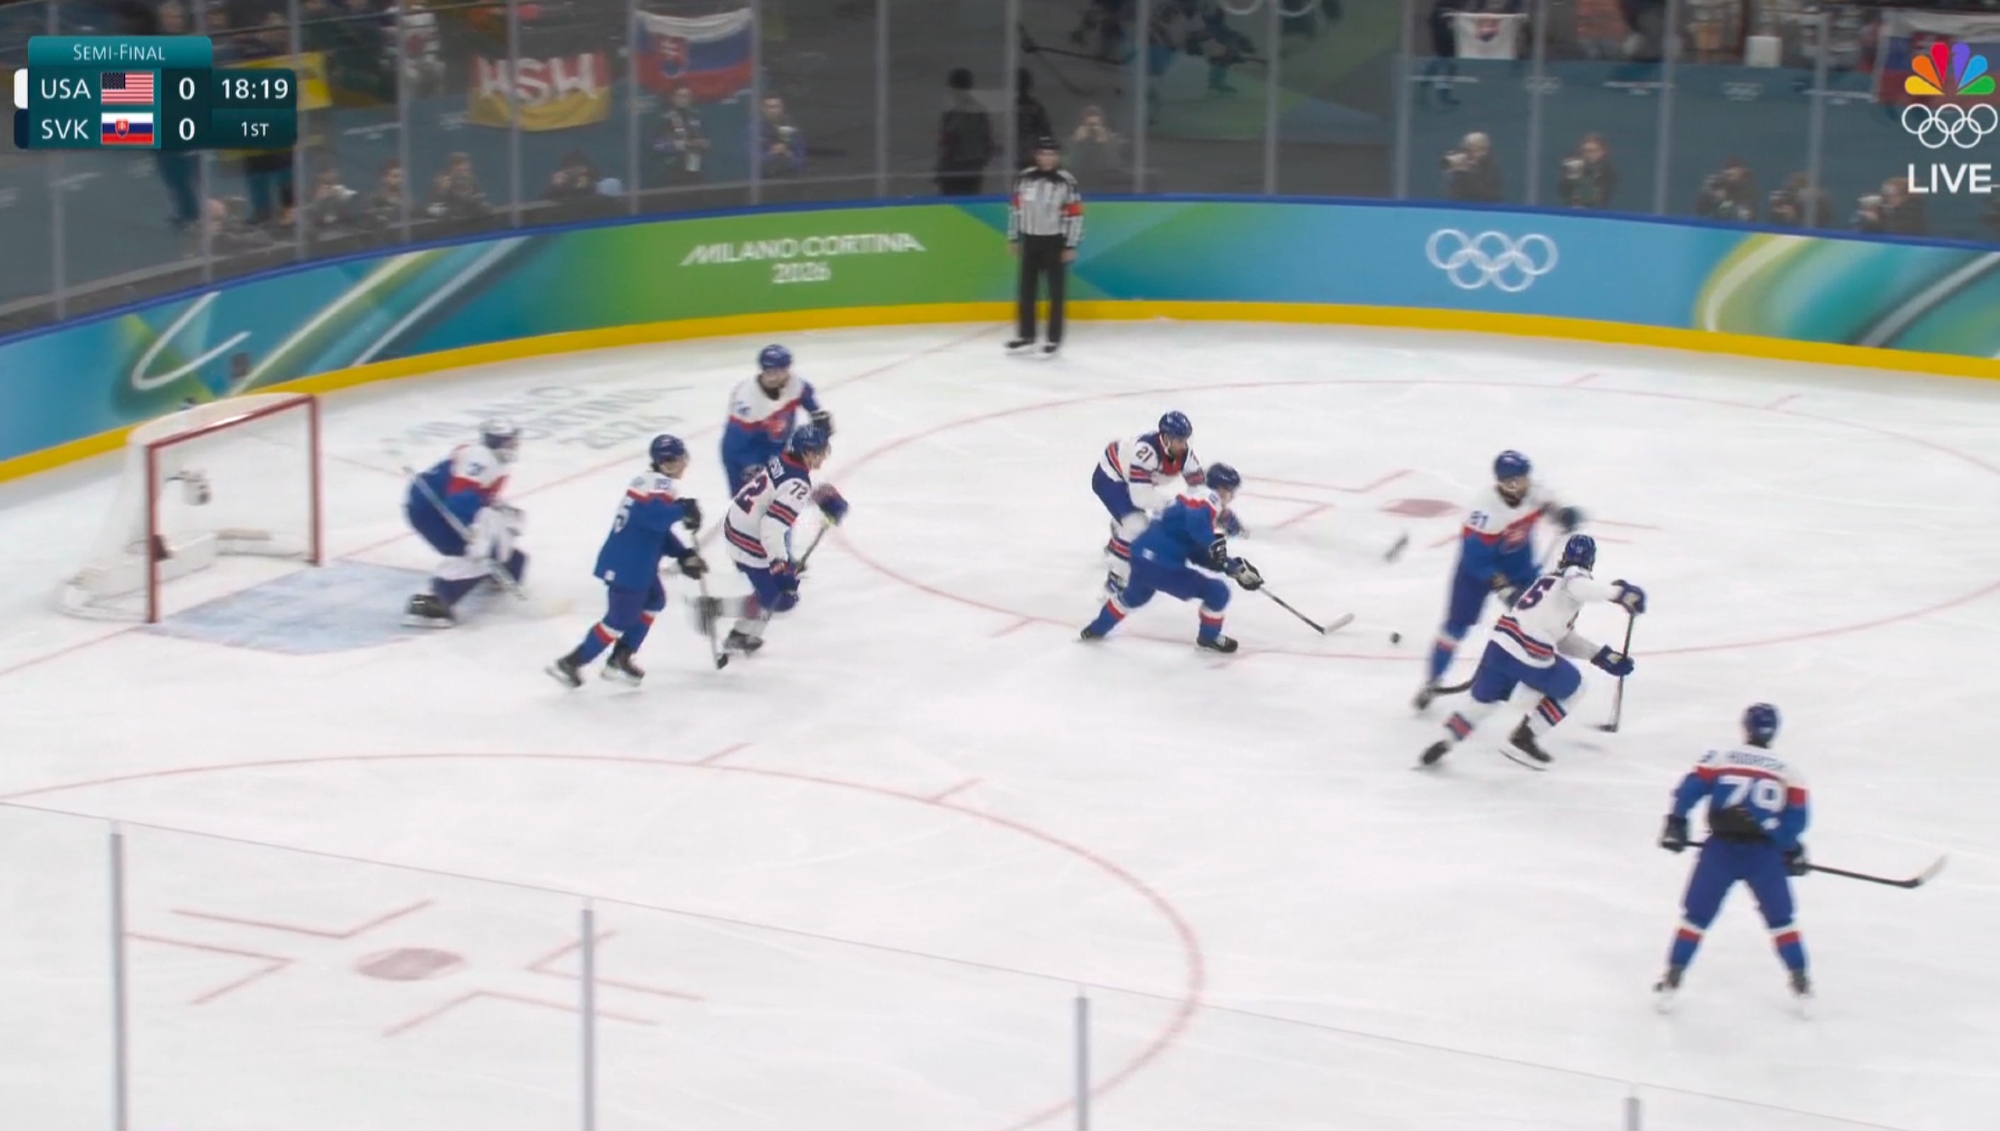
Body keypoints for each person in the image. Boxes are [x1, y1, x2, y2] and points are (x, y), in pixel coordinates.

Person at [1419, 534, 1643, 767]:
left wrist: (1600, 655)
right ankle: (1524, 738)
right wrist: (1620, 594)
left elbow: (1561, 638)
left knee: (1482, 704)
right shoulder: (1575, 576)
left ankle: (1447, 739)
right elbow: (1578, 585)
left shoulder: (1547, 581)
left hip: (1499, 646)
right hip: (1529, 652)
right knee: (1575, 687)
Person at [1653, 704, 1813, 1014]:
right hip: (1764, 855)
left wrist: (1676, 822)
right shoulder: (1790, 772)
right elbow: (1796, 821)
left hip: (1720, 850)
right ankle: (1801, 982)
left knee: (1695, 917)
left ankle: (1672, 979)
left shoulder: (1721, 757)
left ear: (1745, 727)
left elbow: (1689, 790)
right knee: (1782, 921)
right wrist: (1790, 847)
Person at [1414, 451, 1583, 709]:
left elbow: (1551, 507)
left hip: (1519, 567)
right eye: (1519, 479)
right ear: (1506, 483)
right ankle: (1432, 680)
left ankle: (1537, 675)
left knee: (1539, 622)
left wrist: (1563, 516)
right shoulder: (1484, 512)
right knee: (1455, 627)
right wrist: (1503, 588)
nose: (1525, 483)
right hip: (1475, 574)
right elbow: (1475, 559)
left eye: (1525, 477)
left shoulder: (1533, 492)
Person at [546, 435, 706, 689]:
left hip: (635, 562)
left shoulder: (651, 481)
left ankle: (620, 659)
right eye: (673, 460)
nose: (679, 465)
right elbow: (653, 519)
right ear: (663, 463)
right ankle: (571, 663)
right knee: (619, 619)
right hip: (628, 565)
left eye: (678, 459)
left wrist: (683, 554)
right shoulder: (659, 484)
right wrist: (682, 510)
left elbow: (654, 530)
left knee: (654, 600)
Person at [1081, 463, 1261, 653]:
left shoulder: (1189, 498)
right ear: (1221, 489)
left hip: (1141, 556)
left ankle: (1096, 628)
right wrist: (1213, 545)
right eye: (1230, 491)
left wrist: (1233, 567)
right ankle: (1209, 637)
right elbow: (1197, 525)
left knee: (1134, 597)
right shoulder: (1207, 499)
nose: (1231, 496)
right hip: (1163, 566)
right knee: (1218, 592)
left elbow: (1196, 552)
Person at [715, 425, 848, 655]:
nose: (824, 456)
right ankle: (713, 609)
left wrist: (822, 495)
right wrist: (780, 567)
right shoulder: (798, 483)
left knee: (772, 590)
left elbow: (785, 488)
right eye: (820, 451)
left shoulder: (783, 460)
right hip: (749, 540)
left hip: (737, 525)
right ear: (807, 452)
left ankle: (741, 635)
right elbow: (772, 528)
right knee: (780, 598)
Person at [402, 421, 527, 628]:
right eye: (510, 442)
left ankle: (497, 570)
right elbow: (460, 499)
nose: (514, 445)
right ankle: (427, 603)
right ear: (497, 442)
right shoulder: (482, 458)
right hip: (431, 513)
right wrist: (474, 533)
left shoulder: (491, 459)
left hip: (438, 509)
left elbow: (478, 497)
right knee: (474, 555)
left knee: (509, 553)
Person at [1092, 411, 1211, 596]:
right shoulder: (1145, 452)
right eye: (1179, 440)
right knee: (1137, 525)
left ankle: (1118, 533)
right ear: (1166, 438)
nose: (1184, 445)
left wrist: (1203, 513)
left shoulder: (1186, 456)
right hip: (1110, 477)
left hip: (1132, 481)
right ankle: (1115, 580)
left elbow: (1200, 490)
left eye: (1185, 440)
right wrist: (1174, 507)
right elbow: (1140, 497)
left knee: (1131, 520)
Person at [1006, 137, 1085, 358]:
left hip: (1055, 241)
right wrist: (1013, 237)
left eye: (1051, 154)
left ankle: (1053, 339)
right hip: (1030, 239)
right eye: (1043, 154)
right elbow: (1015, 209)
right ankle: (1026, 336)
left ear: (1057, 157)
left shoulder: (1066, 181)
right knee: (1026, 290)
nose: (1047, 158)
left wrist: (1070, 244)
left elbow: (1075, 214)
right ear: (1036, 156)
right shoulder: (1024, 178)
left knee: (1055, 292)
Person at [720, 344, 832, 492]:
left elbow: (805, 394)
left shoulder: (792, 383)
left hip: (777, 451)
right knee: (754, 500)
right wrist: (752, 467)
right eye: (782, 370)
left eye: (785, 369)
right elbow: (735, 444)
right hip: (745, 455)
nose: (787, 373)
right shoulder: (746, 400)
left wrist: (816, 414)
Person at [935, 67, 995, 197]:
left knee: (950, 203)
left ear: (953, 87)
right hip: (974, 167)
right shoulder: (979, 110)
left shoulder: (952, 112)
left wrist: (940, 167)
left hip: (954, 168)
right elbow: (988, 141)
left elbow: (949, 141)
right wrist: (982, 161)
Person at [655, 87, 709, 184]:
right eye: (679, 96)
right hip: (674, 168)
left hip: (695, 167)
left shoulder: (696, 116)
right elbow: (657, 145)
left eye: (686, 96)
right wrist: (683, 145)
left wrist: (703, 143)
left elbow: (705, 138)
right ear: (673, 98)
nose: (682, 99)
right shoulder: (665, 119)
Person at [1556, 133, 1618, 210]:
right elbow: (1563, 193)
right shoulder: (1574, 168)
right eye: (1585, 151)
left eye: (1593, 151)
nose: (1589, 154)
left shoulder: (1608, 173)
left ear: (1602, 152)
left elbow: (1600, 197)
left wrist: (1581, 179)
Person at [1442, 132, 1503, 203]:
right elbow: (1452, 192)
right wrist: (1458, 173)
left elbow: (1490, 193)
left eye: (1480, 149)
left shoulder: (1491, 164)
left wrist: (1472, 172)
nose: (1479, 153)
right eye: (1471, 149)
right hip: (1459, 204)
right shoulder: (1457, 159)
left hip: (1486, 205)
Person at [1693, 157, 1757, 222]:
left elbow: (1747, 217)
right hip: (1717, 226)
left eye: (1733, 168)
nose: (1729, 172)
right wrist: (1711, 196)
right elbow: (1700, 211)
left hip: (1739, 227)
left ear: (1742, 171)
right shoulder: (1719, 185)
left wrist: (1726, 205)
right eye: (1727, 168)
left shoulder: (1749, 190)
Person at [758, 96, 806, 177]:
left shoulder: (792, 127)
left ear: (782, 108)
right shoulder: (755, 130)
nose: (773, 110)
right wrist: (771, 153)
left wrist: (787, 153)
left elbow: (801, 159)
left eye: (777, 106)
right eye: (770, 107)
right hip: (764, 178)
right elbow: (750, 161)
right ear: (763, 109)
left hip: (791, 177)